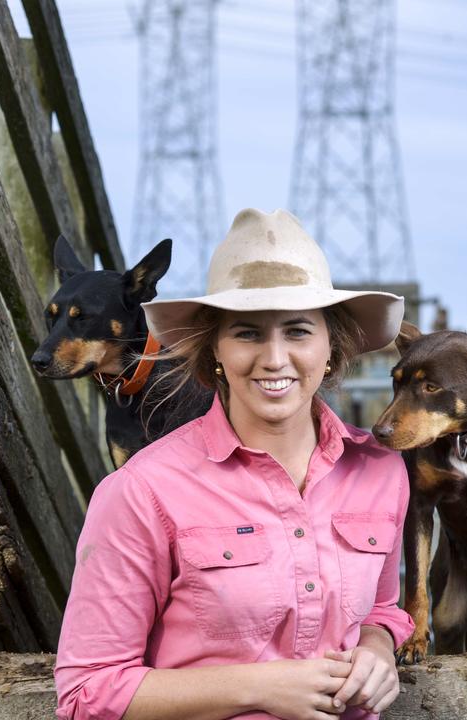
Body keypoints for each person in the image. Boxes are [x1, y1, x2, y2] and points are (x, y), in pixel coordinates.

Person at [54, 208, 414, 720]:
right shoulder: (142, 491)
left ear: (331, 347)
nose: (273, 358)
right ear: (214, 350)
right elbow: (86, 693)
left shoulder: (379, 471)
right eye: (247, 333)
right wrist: (259, 688)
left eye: (297, 332)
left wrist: (378, 649)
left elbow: (381, 609)